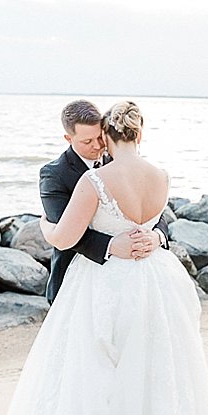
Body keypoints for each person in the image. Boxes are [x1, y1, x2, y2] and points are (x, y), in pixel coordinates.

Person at [0, 101, 208, 415]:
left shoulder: (94, 179)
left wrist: (44, 228)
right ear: (140, 134)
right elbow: (155, 217)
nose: (93, 144)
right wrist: (141, 238)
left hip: (107, 285)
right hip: (155, 281)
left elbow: (66, 236)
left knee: (98, 373)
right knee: (156, 367)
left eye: (97, 137)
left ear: (107, 135)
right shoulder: (160, 176)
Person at [39, 99, 169, 303]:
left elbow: (156, 211)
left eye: (100, 137)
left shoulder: (120, 161)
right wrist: (111, 245)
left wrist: (156, 236)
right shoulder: (54, 174)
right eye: (87, 141)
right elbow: (67, 231)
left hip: (138, 274)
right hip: (79, 278)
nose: (97, 145)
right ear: (68, 138)